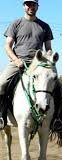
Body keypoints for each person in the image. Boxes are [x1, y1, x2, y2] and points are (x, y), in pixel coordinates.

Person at [0, 0, 54, 129]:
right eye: (28, 4)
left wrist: (49, 60)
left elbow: (49, 48)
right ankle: (1, 116)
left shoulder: (44, 26)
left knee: (55, 85)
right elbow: (7, 46)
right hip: (18, 61)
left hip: (38, 63)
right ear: (24, 6)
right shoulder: (16, 23)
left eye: (33, 4)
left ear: (37, 6)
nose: (31, 7)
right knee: (1, 83)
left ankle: (56, 119)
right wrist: (16, 60)